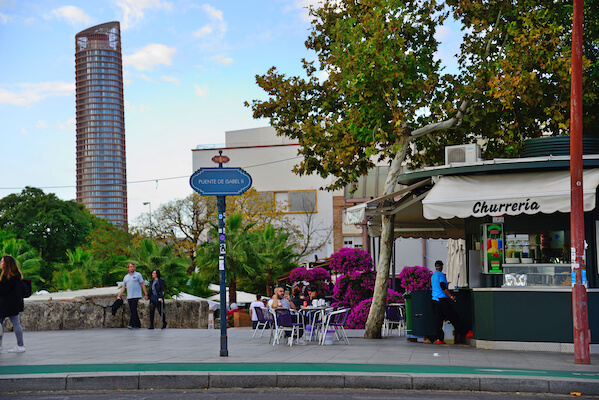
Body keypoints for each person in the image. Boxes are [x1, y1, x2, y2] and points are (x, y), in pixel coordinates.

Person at [431, 260, 473, 344]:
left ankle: (440, 339)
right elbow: (443, 286)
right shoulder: (441, 275)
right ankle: (465, 332)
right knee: (453, 316)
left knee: (438, 320)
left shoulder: (433, 276)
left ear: (435, 267)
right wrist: (451, 296)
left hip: (434, 299)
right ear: (442, 266)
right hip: (442, 299)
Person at [0, 255, 26, 353]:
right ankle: (21, 345)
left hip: (5, 305)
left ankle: (2, 344)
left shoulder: (7, 278)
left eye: (2, 261)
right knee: (16, 323)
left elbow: (2, 290)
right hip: (14, 304)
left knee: (1, 324)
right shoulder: (16, 276)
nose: (0, 263)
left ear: (6, 264)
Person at [117, 263, 147, 329]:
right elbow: (123, 287)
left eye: (133, 266)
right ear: (128, 268)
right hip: (130, 296)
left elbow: (142, 284)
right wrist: (119, 295)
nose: (132, 268)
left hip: (136, 295)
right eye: (130, 267)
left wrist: (146, 294)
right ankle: (138, 324)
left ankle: (132, 324)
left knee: (133, 309)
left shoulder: (138, 275)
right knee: (133, 310)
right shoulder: (126, 277)